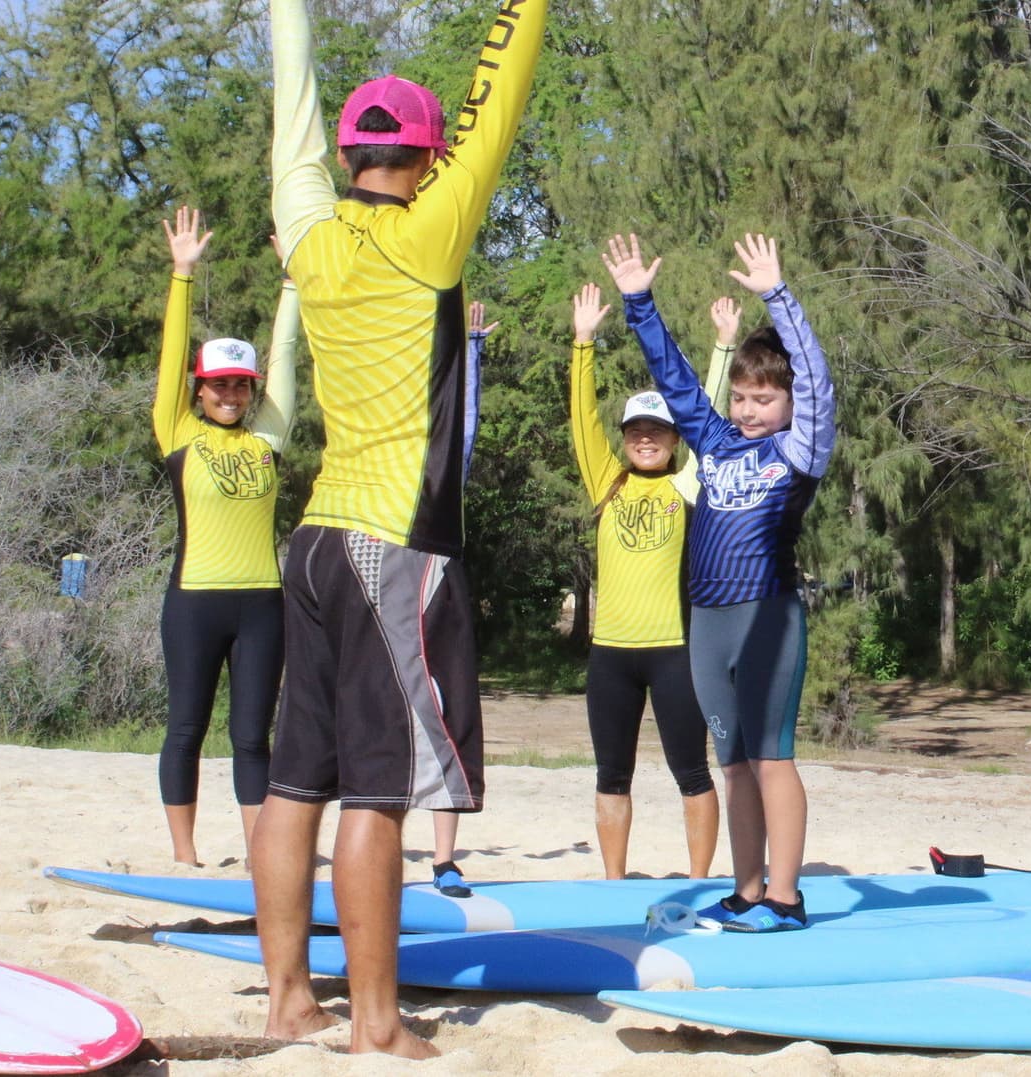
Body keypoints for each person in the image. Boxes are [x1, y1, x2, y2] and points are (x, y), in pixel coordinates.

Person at [256, 0, 545, 1057]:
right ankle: (376, 1024)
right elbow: (499, 82)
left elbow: (289, 101)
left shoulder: (311, 232)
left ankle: (291, 997)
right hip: (392, 550)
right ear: (424, 162)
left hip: (316, 543)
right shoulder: (431, 232)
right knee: (376, 794)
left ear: (348, 154)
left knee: (297, 785)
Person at [602, 233, 835, 932]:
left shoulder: (800, 446)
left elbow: (817, 381)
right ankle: (748, 887)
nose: (748, 409)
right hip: (707, 619)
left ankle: (786, 898)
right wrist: (639, 302)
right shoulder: (716, 440)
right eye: (740, 396)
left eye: (764, 397)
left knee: (770, 758)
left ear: (788, 402)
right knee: (732, 763)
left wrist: (777, 295)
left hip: (767, 614)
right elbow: (675, 380)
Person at [569, 283, 732, 880]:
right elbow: (582, 420)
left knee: (692, 772)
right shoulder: (604, 482)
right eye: (636, 429)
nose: (646, 438)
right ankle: (614, 883)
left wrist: (723, 349)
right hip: (610, 655)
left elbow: (706, 413)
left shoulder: (685, 486)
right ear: (625, 436)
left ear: (673, 439)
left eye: (658, 430)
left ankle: (697, 883)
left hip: (674, 654)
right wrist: (582, 343)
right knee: (612, 774)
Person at [151, 206, 297, 868]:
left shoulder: (269, 437)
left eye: (241, 384)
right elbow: (168, 359)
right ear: (199, 389)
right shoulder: (179, 434)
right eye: (219, 385)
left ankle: (258, 855)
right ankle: (184, 855)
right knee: (185, 727)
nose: (232, 394)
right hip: (195, 601)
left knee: (251, 736)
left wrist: (294, 284)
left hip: (261, 603)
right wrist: (182, 274)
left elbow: (287, 353)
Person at [425, 299, 497, 900]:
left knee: (447, 720)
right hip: (380, 584)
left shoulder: (445, 467)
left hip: (440, 587)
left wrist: (471, 349)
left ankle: (444, 860)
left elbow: (464, 422)